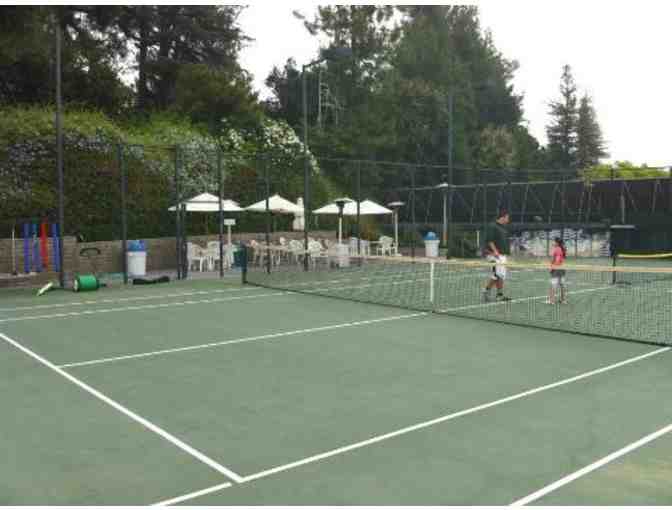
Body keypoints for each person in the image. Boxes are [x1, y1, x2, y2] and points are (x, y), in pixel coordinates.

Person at [482, 209, 511, 302]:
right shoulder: (492, 226)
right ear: (503, 217)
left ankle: (499, 295)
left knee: (501, 275)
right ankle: (486, 290)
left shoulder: (504, 227)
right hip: (494, 255)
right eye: (507, 218)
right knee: (496, 275)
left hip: (502, 255)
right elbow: (490, 240)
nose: (508, 220)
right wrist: (495, 251)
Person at [548, 237, 567, 304]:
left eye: (554, 241)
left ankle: (552, 301)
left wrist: (552, 268)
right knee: (562, 284)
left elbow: (557, 260)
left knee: (553, 284)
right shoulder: (562, 249)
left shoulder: (557, 249)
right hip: (562, 268)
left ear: (557, 243)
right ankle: (563, 300)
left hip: (557, 268)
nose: (553, 242)